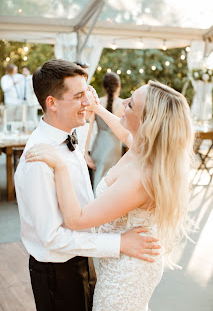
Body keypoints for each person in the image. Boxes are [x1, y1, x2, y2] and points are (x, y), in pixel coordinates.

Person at [26, 80, 194, 311]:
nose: (123, 103)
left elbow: (77, 219)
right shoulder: (144, 148)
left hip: (127, 272)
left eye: (131, 105)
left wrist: (60, 165)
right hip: (120, 260)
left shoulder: (140, 178)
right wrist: (96, 108)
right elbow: (123, 131)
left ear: (148, 123)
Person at [15, 59, 160, 311]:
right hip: (58, 274)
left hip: (84, 261)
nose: (88, 103)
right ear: (52, 103)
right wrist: (119, 243)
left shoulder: (71, 131)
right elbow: (51, 238)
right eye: (79, 96)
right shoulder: (38, 159)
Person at [85, 72, 124, 195]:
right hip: (115, 147)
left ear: (103, 87)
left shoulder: (96, 103)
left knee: (97, 179)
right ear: (119, 85)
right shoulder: (123, 104)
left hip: (99, 145)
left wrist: (85, 153)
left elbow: (88, 128)